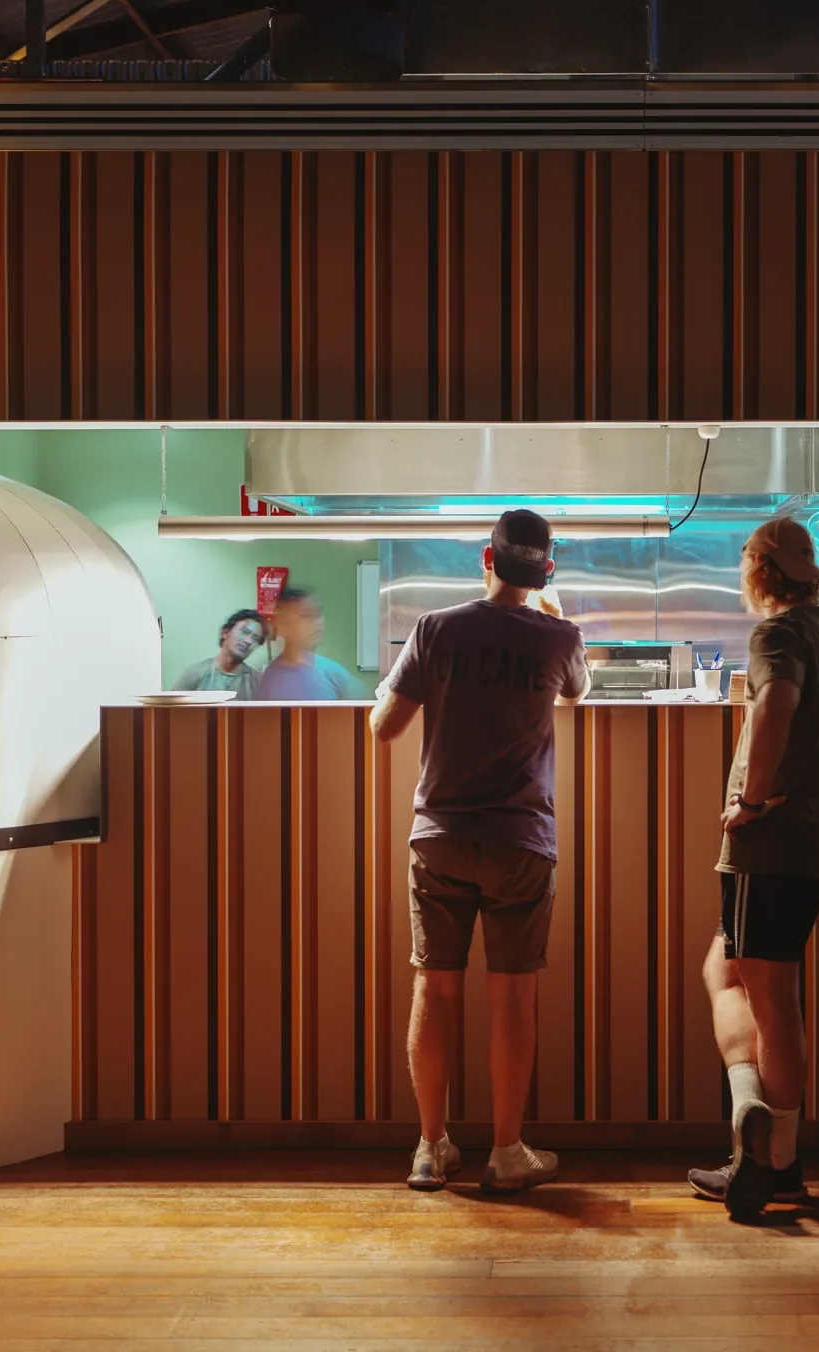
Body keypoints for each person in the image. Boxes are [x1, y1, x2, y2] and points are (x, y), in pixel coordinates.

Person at [369, 509, 589, 1195]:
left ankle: (432, 1149)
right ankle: (506, 1151)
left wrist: (385, 692)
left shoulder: (437, 629)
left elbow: (387, 727)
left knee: (435, 988)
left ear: (485, 561)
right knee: (513, 1000)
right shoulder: (560, 636)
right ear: (545, 571)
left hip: (440, 836)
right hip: (522, 839)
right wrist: (550, 615)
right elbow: (579, 693)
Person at [690, 517, 819, 1221]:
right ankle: (769, 1143)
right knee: (739, 976)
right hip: (812, 846)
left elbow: (774, 704)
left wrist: (752, 799)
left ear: (758, 572)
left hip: (767, 843)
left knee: (767, 1000)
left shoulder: (777, 636)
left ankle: (769, 1155)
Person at [251, 586, 364, 701]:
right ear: (283, 625)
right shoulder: (269, 679)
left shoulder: (334, 674)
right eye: (306, 614)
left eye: (319, 613)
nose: (317, 622)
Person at [171, 609, 267, 695]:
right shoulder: (194, 674)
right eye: (245, 632)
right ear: (225, 632)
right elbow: (173, 712)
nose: (248, 641)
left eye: (255, 638)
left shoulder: (258, 683)